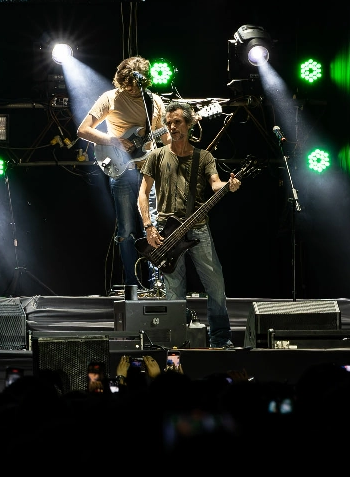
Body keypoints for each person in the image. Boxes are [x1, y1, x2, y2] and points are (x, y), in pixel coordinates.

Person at [138, 101, 240, 348]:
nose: (172, 127)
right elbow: (143, 193)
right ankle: (176, 342)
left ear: (189, 124)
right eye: (169, 123)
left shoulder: (203, 157)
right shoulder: (156, 156)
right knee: (174, 291)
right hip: (166, 230)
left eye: (178, 122)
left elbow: (215, 184)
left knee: (215, 284)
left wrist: (229, 185)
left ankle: (220, 339)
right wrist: (149, 226)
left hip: (198, 227)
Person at [77, 56, 167, 291]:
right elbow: (83, 130)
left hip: (148, 172)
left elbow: (165, 137)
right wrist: (114, 141)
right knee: (126, 231)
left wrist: (181, 129)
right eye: (125, 85)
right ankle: (132, 285)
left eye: (133, 85)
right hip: (122, 170)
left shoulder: (155, 101)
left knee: (153, 225)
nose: (129, 89)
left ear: (143, 81)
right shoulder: (110, 98)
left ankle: (157, 284)